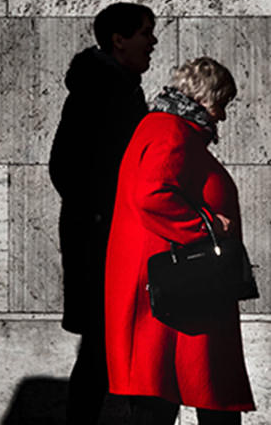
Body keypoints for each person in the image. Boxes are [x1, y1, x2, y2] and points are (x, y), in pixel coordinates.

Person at [105, 57, 255, 424]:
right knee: (169, 398)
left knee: (168, 398)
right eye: (221, 103)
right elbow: (153, 195)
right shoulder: (171, 131)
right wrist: (207, 226)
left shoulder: (168, 128)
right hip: (177, 289)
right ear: (204, 98)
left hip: (177, 289)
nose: (222, 116)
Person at [49, 2, 157, 424]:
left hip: (114, 238)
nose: (152, 41)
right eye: (145, 32)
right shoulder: (98, 90)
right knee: (101, 346)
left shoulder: (122, 88)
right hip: (102, 244)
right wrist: (109, 215)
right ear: (119, 40)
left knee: (105, 348)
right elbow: (65, 167)